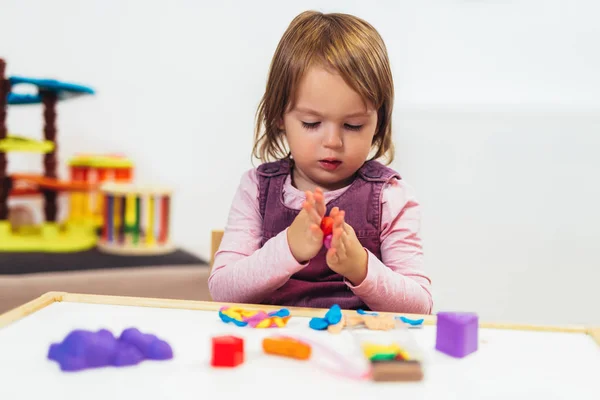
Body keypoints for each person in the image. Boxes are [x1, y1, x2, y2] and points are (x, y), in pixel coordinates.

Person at [208, 10, 432, 314]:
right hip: (274, 344)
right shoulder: (257, 188)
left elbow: (420, 305)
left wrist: (361, 267)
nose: (333, 142)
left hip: (358, 348)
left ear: (378, 124)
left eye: (353, 126)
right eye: (312, 123)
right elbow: (222, 289)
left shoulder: (390, 197)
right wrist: (289, 247)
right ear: (280, 117)